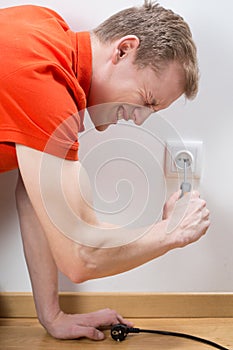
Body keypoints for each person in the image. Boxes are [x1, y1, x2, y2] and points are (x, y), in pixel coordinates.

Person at [0, 1, 210, 341]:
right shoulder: (45, 82)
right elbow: (81, 256)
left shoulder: (43, 26)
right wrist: (171, 232)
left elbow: (35, 194)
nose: (140, 118)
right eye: (147, 100)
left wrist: (52, 316)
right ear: (124, 49)